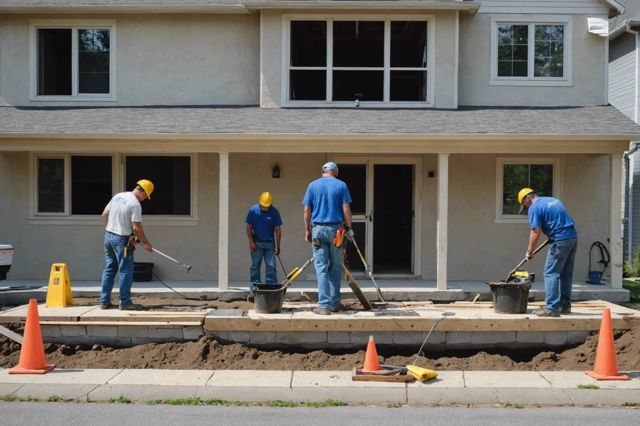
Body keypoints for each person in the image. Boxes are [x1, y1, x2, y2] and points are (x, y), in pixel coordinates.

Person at [518, 187, 578, 317]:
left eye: (524, 205)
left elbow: (535, 231)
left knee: (550, 273)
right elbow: (556, 220)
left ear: (527, 199)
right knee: (566, 274)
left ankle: (552, 309)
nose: (526, 208)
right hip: (572, 237)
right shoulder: (552, 200)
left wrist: (530, 251)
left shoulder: (534, 208)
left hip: (560, 240)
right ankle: (565, 306)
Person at [303, 162, 353, 315]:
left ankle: (324, 306)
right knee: (335, 267)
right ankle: (334, 303)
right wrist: (349, 228)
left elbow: (306, 210)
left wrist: (307, 231)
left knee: (321, 268)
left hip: (318, 229)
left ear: (323, 171)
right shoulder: (341, 185)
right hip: (336, 231)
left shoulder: (312, 185)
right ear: (335, 172)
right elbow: (346, 209)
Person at [99, 179, 154, 311]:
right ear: (143, 191)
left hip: (108, 237)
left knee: (109, 270)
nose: (145, 199)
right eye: (146, 196)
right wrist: (146, 243)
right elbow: (136, 227)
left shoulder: (118, 196)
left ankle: (104, 301)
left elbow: (104, 214)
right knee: (125, 272)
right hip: (121, 241)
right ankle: (125, 303)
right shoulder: (135, 204)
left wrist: (112, 228)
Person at [245, 192, 283, 289]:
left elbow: (277, 230)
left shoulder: (274, 212)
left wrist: (278, 246)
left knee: (271, 267)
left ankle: (271, 288)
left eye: (267, 207)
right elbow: (249, 227)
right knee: (255, 267)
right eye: (263, 206)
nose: (264, 208)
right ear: (260, 203)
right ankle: (254, 288)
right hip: (256, 243)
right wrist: (251, 242)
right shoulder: (253, 211)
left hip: (270, 244)